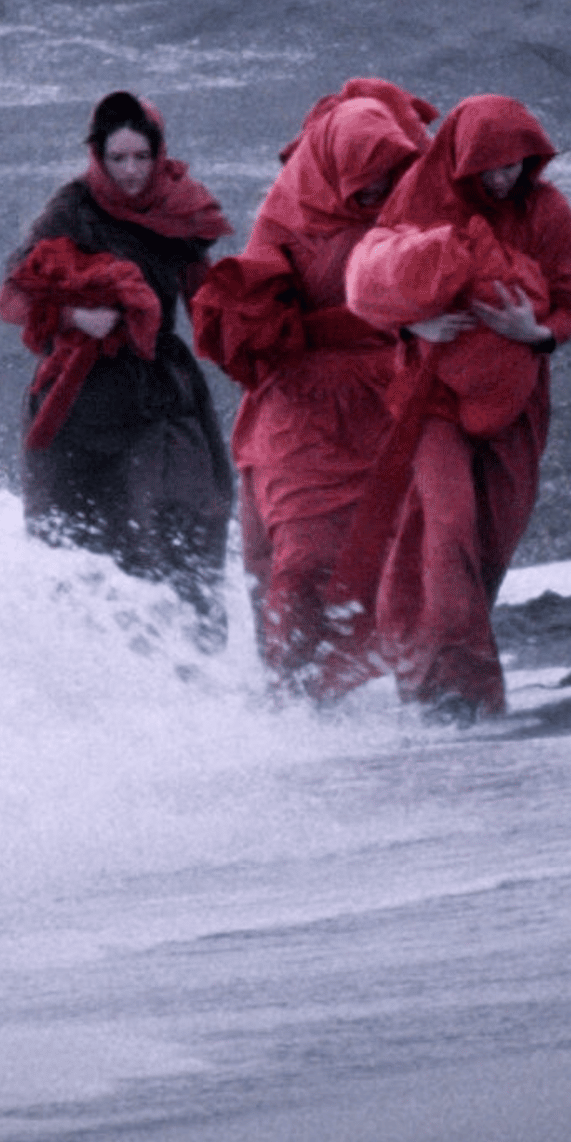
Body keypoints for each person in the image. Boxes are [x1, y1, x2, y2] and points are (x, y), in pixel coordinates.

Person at [334, 94, 571, 719]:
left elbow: (570, 304)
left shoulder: (547, 210)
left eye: (516, 165)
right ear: (460, 160)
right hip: (433, 399)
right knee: (448, 527)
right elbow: (375, 283)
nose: (504, 179)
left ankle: (429, 663)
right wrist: (413, 328)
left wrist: (536, 333)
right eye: (491, 167)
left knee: (491, 541)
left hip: (516, 399)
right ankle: (459, 696)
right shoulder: (420, 199)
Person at [192, 77, 437, 695]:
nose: (377, 191)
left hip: (385, 399)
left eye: (388, 175)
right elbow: (246, 302)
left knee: (382, 546)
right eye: (366, 178)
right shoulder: (291, 206)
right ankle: (294, 691)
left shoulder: (415, 203)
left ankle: (374, 681)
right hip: (298, 404)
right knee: (298, 559)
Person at [0, 90, 236, 643]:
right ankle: (94, 664)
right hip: (81, 397)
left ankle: (188, 665)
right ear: (97, 157)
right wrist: (77, 313)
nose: (130, 171)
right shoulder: (72, 207)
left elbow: (207, 295)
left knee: (174, 528)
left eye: (141, 157)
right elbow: (17, 289)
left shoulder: (180, 209)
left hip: (156, 390)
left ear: (158, 154)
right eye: (118, 158)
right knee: (83, 541)